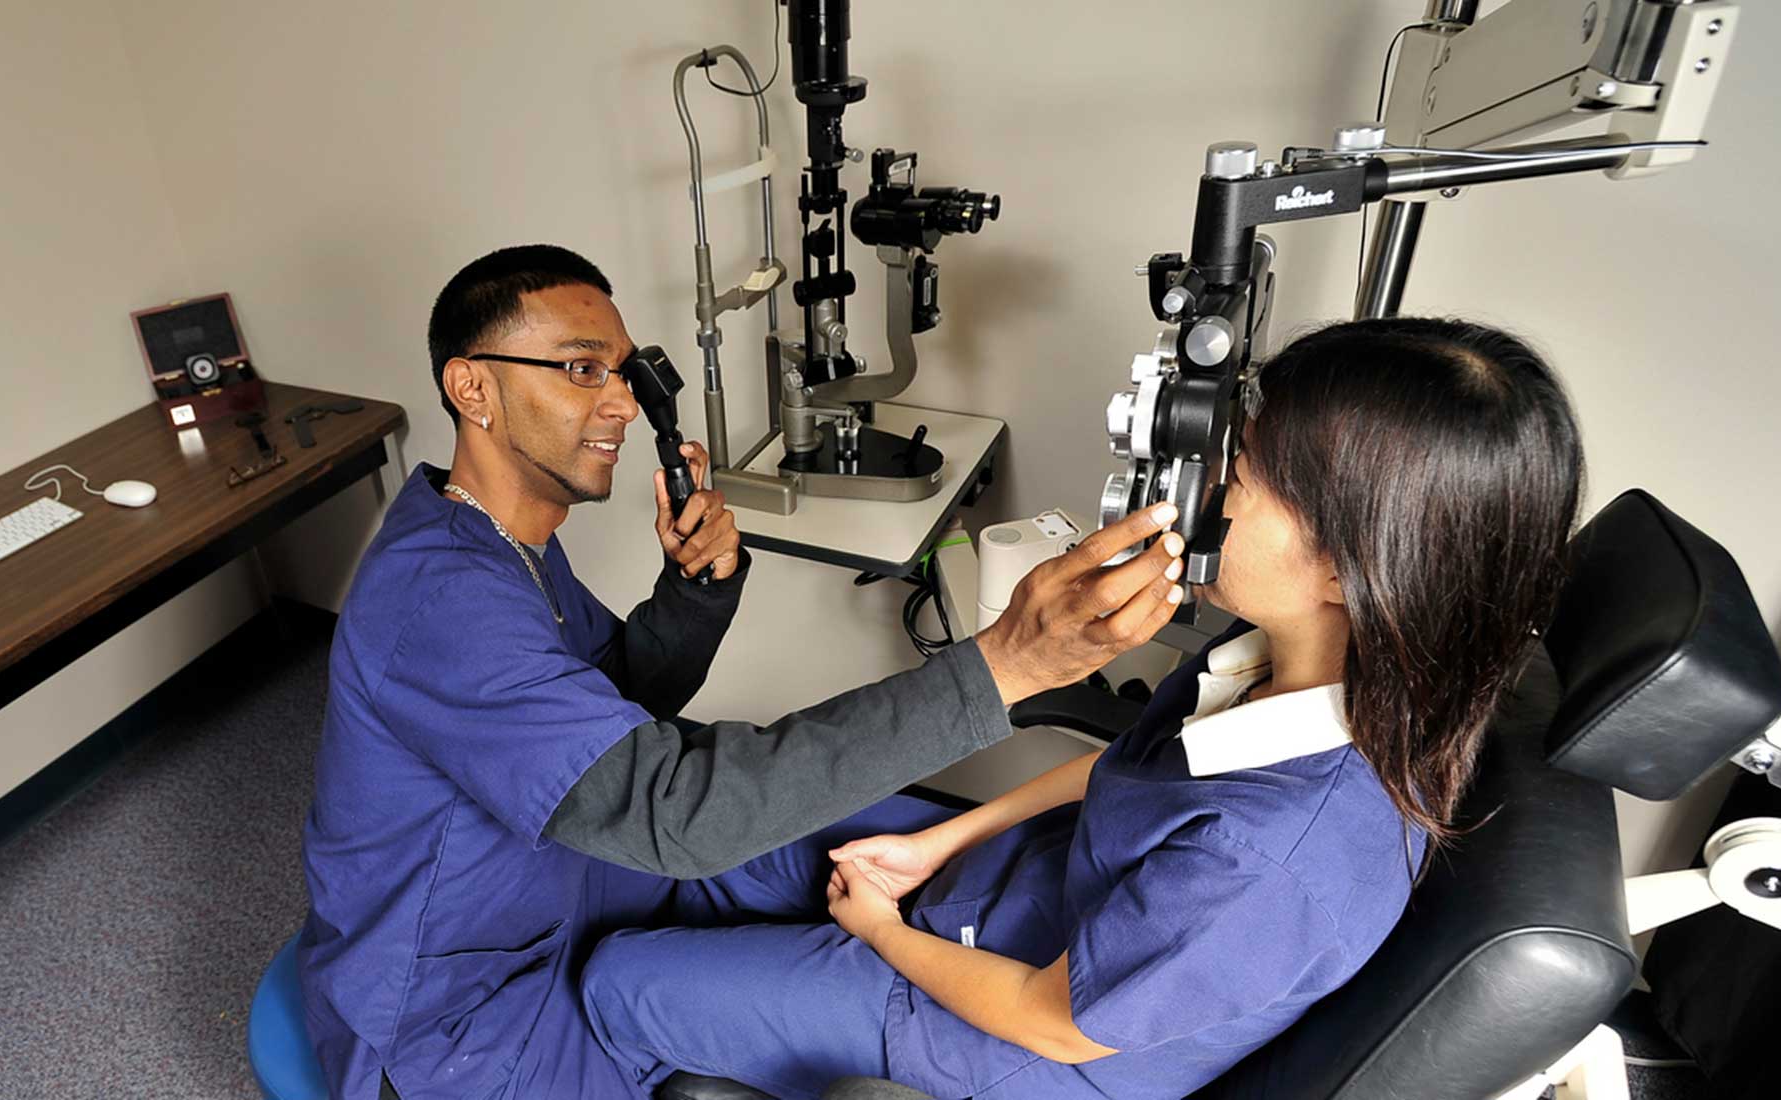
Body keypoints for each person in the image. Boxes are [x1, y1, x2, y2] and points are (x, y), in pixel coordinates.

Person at [582, 316, 1587, 1100]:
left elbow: (1056, 1018)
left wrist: (883, 931)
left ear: (1348, 564)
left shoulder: (1278, 859)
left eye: (1242, 476)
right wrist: (943, 842)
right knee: (725, 830)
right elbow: (1134, 771)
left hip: (1015, 1038)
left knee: (617, 984)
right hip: (1014, 890)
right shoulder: (1277, 667)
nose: (1207, 493)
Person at [299, 244, 1189, 1100]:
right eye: (580, 369)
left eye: (623, 371)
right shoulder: (440, 598)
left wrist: (692, 592)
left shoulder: (507, 546)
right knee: (734, 869)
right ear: (472, 388)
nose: (616, 404)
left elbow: (606, 700)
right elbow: (670, 811)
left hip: (579, 879)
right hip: (458, 1009)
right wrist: (998, 669)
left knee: (828, 849)